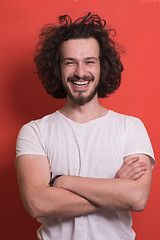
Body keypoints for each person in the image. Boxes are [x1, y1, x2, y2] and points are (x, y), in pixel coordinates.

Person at [16, 12, 155, 240]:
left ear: (103, 66)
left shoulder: (131, 127)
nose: (80, 73)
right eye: (70, 62)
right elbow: (37, 203)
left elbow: (137, 198)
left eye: (89, 61)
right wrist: (115, 189)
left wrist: (62, 181)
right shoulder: (34, 132)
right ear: (57, 68)